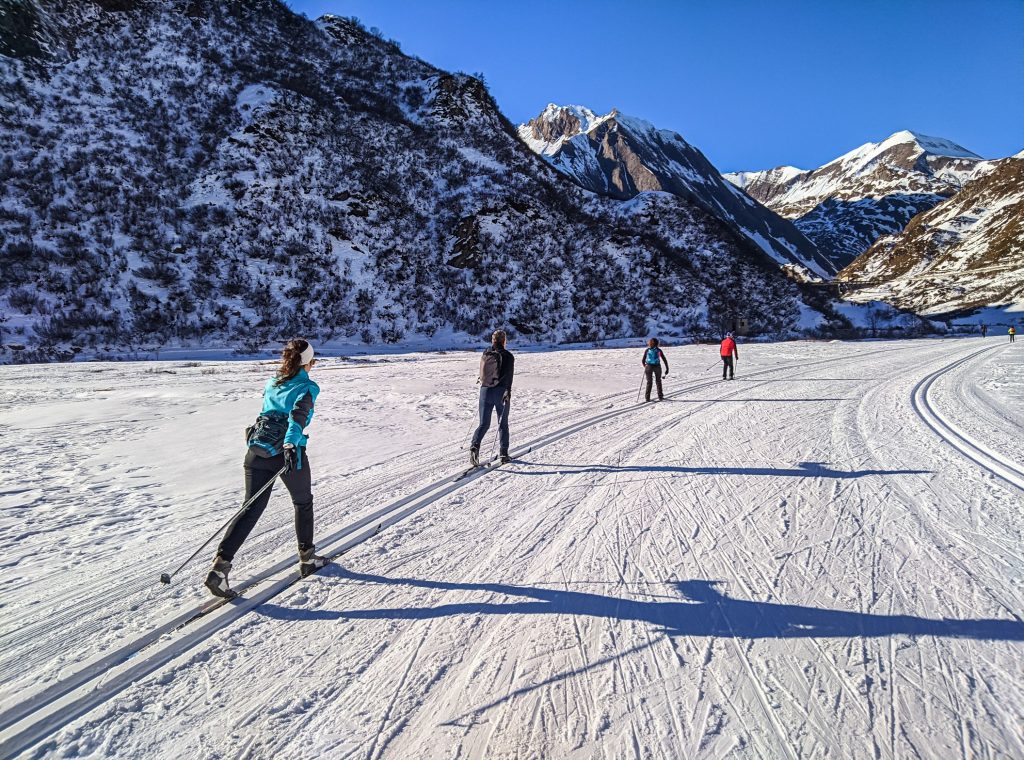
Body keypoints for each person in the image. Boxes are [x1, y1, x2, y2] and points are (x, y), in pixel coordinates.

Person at [205, 338, 329, 598]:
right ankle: (307, 559)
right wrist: (289, 446)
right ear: (309, 363)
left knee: (250, 508)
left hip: (257, 450)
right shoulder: (307, 387)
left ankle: (219, 567)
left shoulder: (273, 382)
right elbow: (298, 418)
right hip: (286, 453)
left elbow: (268, 414)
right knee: (303, 502)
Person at [470, 329, 515, 466]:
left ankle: (474, 447)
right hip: (500, 392)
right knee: (503, 424)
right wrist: (508, 391)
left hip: (485, 391)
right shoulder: (508, 356)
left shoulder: (486, 353)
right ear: (504, 341)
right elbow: (508, 376)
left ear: (492, 340)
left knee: (483, 423)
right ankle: (503, 453)